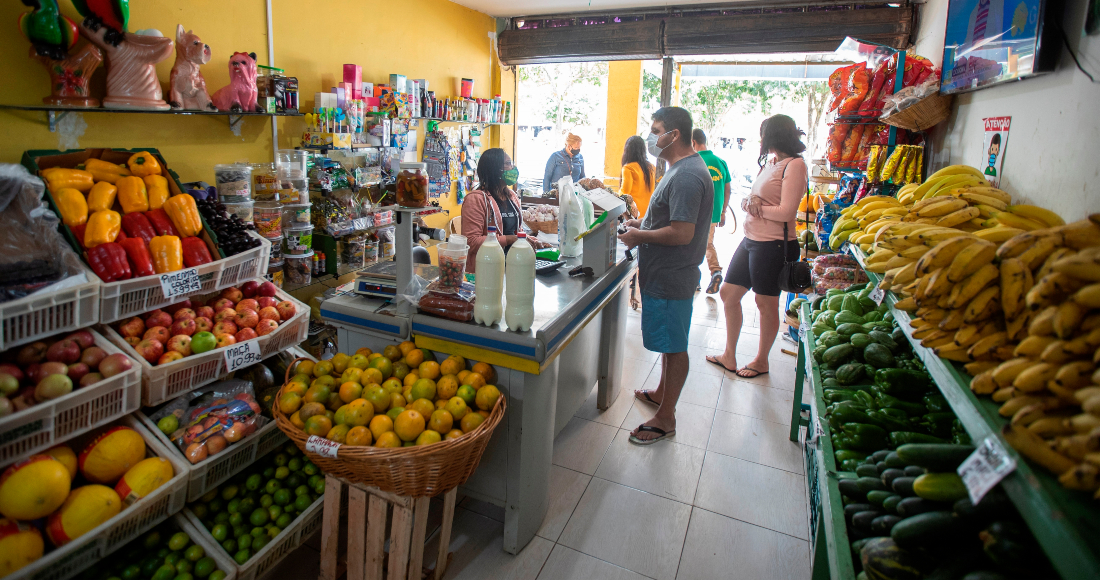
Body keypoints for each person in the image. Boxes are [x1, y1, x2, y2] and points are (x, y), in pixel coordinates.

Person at [618, 107, 712, 445]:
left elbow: (682, 233)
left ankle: (667, 416)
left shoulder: (687, 175)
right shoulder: (678, 168)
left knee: (675, 347)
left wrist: (640, 236)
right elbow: (666, 219)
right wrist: (640, 224)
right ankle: (661, 392)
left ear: (674, 134)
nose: (651, 137)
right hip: (663, 274)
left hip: (673, 276)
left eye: (656, 130)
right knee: (668, 343)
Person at [706, 114, 808, 379]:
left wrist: (758, 207)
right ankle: (729, 355)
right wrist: (748, 202)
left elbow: (787, 212)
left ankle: (762, 361)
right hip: (751, 240)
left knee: (765, 303)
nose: (761, 140)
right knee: (728, 293)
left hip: (773, 245)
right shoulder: (771, 163)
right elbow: (756, 199)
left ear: (774, 136)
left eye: (764, 135)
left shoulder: (795, 165)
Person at [462, 148, 549, 272]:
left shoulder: (511, 196)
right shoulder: (476, 199)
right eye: (508, 164)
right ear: (495, 169)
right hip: (487, 269)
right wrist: (509, 239)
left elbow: (517, 231)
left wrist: (535, 241)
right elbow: (471, 242)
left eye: (512, 163)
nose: (513, 168)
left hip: (514, 264)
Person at [692, 129, 732, 294]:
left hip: (696, 212)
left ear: (693, 143)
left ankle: (700, 278)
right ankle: (713, 273)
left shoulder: (694, 161)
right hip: (714, 213)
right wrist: (723, 212)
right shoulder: (720, 162)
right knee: (707, 243)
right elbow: (728, 189)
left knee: (694, 245)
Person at [619, 135, 656, 217]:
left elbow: (624, 193)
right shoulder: (652, 167)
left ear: (627, 150)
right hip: (648, 213)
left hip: (633, 214)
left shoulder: (628, 168)